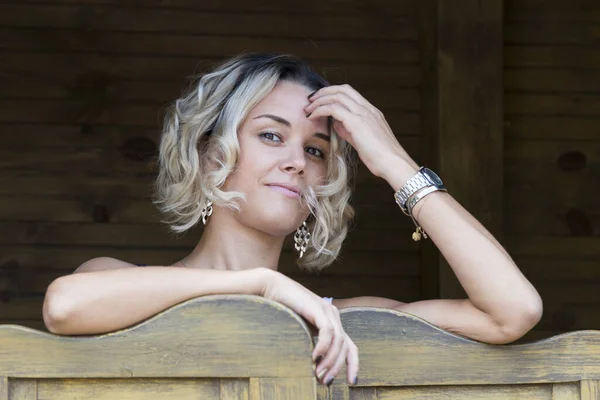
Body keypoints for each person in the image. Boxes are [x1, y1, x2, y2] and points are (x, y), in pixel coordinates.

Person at [42, 53, 543, 387]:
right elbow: (64, 305)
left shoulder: (338, 322)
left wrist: (396, 165)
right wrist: (263, 287)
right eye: (271, 135)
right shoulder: (116, 282)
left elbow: (511, 311)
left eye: (316, 149)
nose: (298, 162)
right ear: (212, 154)